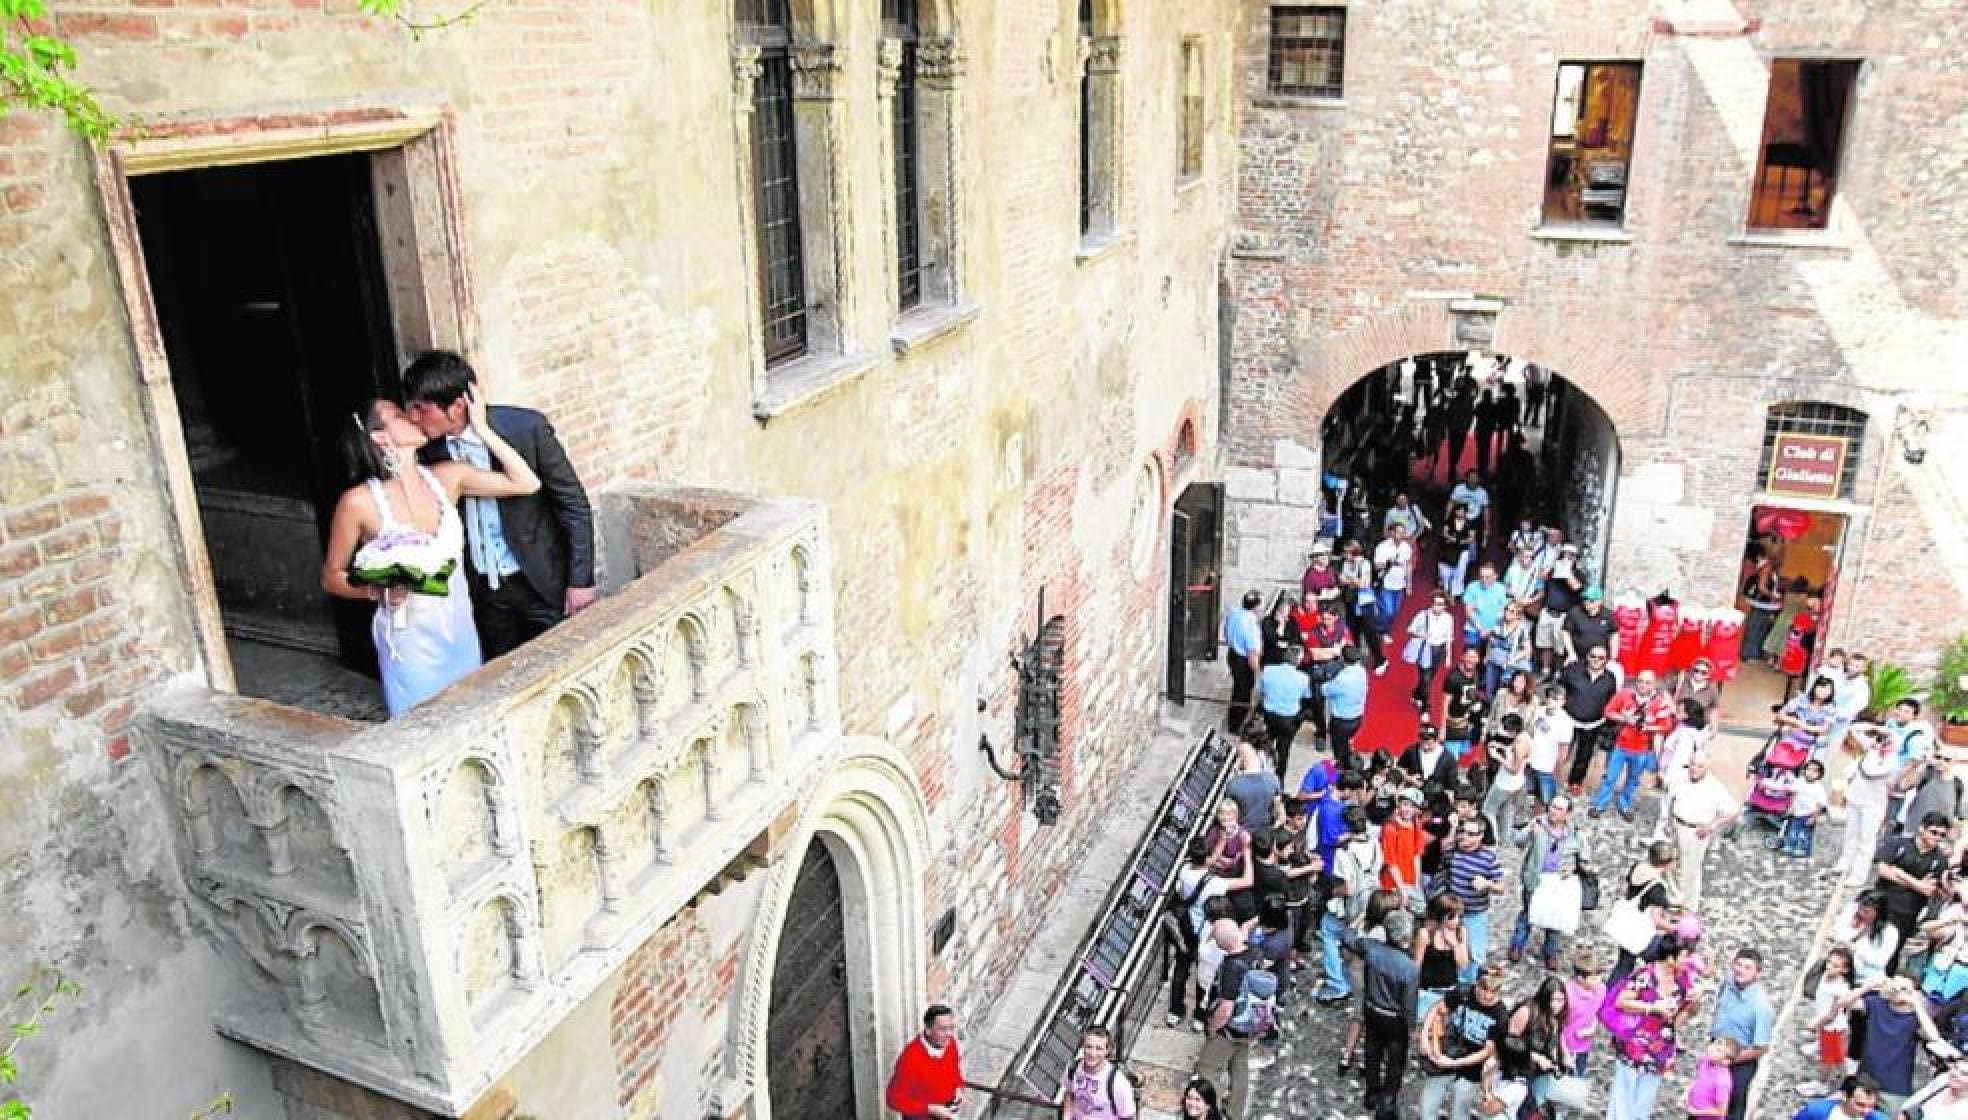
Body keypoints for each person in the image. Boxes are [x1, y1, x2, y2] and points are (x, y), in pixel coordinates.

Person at [321, 394, 542, 716]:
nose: (412, 416)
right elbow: (331, 577)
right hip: (409, 640)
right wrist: (376, 590)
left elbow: (526, 482)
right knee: (420, 722)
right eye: (398, 414)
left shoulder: (448, 477)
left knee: (469, 714)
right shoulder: (358, 503)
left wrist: (483, 429)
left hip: (459, 626)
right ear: (379, 437)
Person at [404, 350, 594, 659]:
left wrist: (580, 581)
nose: (413, 418)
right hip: (482, 590)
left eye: (420, 409)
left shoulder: (526, 428)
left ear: (457, 406)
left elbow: (572, 503)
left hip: (540, 581)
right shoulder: (427, 448)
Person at [1826, 976, 1955, 1116]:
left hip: (1895, 1087)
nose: (1898, 991)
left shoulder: (1915, 1018)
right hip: (1865, 1077)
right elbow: (1843, 1003)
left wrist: (1916, 1003)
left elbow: (1933, 1036)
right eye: (1895, 986)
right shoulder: (1876, 1004)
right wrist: (1869, 986)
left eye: (1904, 989)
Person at [1605, 936, 1698, 1120]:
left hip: (1659, 1046)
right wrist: (1652, 1008)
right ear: (1670, 958)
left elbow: (1684, 1014)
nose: (1686, 962)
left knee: (1645, 1099)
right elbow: (1622, 1001)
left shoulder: (1682, 980)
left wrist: (1693, 1004)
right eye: (1683, 957)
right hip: (1635, 1042)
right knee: (1624, 1094)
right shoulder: (1645, 976)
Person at [1339, 908, 1421, 1120]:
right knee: (1395, 1061)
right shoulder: (1409, 968)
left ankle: (1372, 1093)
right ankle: (1387, 1102)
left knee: (1372, 1052)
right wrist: (1412, 1027)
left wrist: (1356, 920)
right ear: (1405, 936)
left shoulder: (1372, 949)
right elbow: (1409, 1003)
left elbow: (1348, 937)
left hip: (1372, 1010)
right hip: (1395, 1019)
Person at [1418, 965, 1508, 1120]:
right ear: (1476, 984)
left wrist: (1454, 1063)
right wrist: (1425, 1037)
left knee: (1460, 1111)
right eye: (1484, 989)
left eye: (1494, 991)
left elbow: (1487, 1051)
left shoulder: (1500, 1015)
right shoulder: (1463, 992)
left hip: (1472, 1067)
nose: (1488, 996)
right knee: (1428, 1106)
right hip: (1448, 1050)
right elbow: (1437, 1009)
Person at [1195, 923, 1265, 1120]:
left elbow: (1225, 1009)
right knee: (1239, 1066)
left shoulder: (1232, 967)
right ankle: (1235, 1113)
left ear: (1220, 944)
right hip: (1251, 1024)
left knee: (1208, 1069)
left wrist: (1212, 1028)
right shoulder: (1254, 951)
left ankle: (1212, 1111)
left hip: (1230, 1029)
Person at [1511, 794, 1589, 968]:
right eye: (1553, 806)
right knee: (1528, 913)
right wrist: (1529, 831)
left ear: (1568, 814)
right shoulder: (1538, 824)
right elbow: (1518, 842)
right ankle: (1517, 944)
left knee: (1555, 918)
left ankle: (1551, 952)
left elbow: (1584, 858)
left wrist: (1573, 869)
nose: (1553, 811)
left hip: (1559, 883)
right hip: (1536, 879)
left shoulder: (1575, 833)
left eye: (1559, 809)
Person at [1591, 670, 1675, 822]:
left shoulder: (1660, 702)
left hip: (1642, 749)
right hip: (1620, 745)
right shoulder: (1624, 694)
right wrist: (1625, 719)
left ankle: (1625, 803)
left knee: (1633, 779)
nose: (1643, 685)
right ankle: (1600, 804)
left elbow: (1666, 726)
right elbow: (1608, 712)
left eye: (1647, 682)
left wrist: (1648, 727)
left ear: (1654, 684)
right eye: (1640, 681)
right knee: (1610, 777)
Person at [1874, 812, 1955, 970]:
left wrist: (1900, 873)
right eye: (1933, 832)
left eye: (1941, 835)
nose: (1937, 838)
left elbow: (1929, 889)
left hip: (1907, 912)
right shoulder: (1898, 844)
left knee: (1893, 950)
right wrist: (1917, 884)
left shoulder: (1939, 860)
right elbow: (1883, 870)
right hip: (1882, 902)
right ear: (1921, 829)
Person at [1665, 751, 1741, 906]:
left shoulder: (1715, 788)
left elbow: (1732, 811)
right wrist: (1668, 821)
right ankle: (1674, 897)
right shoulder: (1680, 779)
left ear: (1707, 767)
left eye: (1700, 766)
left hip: (1695, 831)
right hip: (1677, 825)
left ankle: (1688, 905)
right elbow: (1671, 799)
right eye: (1692, 764)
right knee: (1671, 864)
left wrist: (1711, 826)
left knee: (1690, 870)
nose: (1694, 769)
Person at [1710, 948, 1775, 1120]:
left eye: (1748, 967)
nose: (1740, 970)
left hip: (1739, 1061)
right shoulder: (1728, 983)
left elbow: (1761, 1047)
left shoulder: (1761, 1006)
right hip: (1717, 1049)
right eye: (1738, 964)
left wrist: (1729, 1059)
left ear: (1757, 974)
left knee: (1731, 1107)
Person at [1842, 718, 1908, 888]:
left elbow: (1871, 772)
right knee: (1851, 833)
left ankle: (1858, 874)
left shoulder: (1892, 761)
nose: (1882, 742)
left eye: (1886, 741)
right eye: (1881, 739)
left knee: (1866, 839)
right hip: (1855, 797)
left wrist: (1877, 747)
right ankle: (1844, 863)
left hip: (1873, 805)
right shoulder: (1870, 749)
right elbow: (1855, 728)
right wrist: (1876, 729)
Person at [1444, 814, 1506, 984]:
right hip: (1453, 912)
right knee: (1450, 947)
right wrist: (1452, 828)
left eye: (1471, 834)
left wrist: (1488, 884)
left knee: (1474, 953)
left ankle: (1468, 985)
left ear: (1480, 836)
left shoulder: (1488, 857)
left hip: (1475, 914)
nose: (1464, 836)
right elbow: (1444, 848)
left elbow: (1501, 887)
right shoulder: (1453, 851)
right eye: (1462, 831)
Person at [1497, 976, 1568, 1113]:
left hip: (1537, 1074)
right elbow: (1508, 1042)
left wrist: (1559, 1061)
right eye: (1553, 1000)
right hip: (1516, 1071)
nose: (1557, 1005)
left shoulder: (1554, 1019)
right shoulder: (1527, 1011)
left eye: (1561, 1000)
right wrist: (1534, 1056)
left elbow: (1553, 1044)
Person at [885, 1004, 966, 1120]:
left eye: (951, 1028)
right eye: (943, 1029)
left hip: (948, 1113)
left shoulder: (950, 1043)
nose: (949, 1034)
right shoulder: (910, 1058)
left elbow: (955, 1070)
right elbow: (893, 1099)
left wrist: (958, 1088)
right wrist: (929, 1109)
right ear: (928, 1030)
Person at [1559, 644, 1619, 796]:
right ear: (1587, 656)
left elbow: (1611, 700)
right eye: (1593, 656)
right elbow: (1559, 686)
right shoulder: (1574, 671)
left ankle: (1575, 782)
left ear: (1606, 660)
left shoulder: (1610, 679)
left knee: (1584, 755)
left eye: (1601, 658)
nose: (1596, 660)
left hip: (1593, 724)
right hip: (1568, 720)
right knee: (1560, 750)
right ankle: (1550, 777)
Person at [1256, 647, 1313, 781]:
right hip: (1288, 719)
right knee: (1283, 749)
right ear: (1298, 661)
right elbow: (1307, 696)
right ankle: (1278, 779)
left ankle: (1260, 770)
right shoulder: (1303, 678)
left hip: (1268, 715)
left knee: (1264, 744)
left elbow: (1260, 689)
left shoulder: (1268, 670)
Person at [1828, 891, 1901, 986]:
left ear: (1878, 913)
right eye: (1860, 909)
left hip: (1867, 981)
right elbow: (1836, 935)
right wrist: (1857, 931)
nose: (1861, 914)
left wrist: (1857, 949)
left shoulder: (1890, 932)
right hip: (1840, 974)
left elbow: (1880, 961)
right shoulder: (1853, 915)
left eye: (1866, 912)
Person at [1063, 1026, 1136, 1120]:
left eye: (1099, 1049)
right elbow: (1069, 1093)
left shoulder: (1119, 1083)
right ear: (1082, 1046)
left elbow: (1128, 1117)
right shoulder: (1072, 1068)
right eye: (1089, 1047)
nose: (1092, 1053)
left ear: (1107, 1051)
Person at [1810, 947, 1858, 1087]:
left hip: (1833, 1028)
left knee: (1829, 1058)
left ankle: (1823, 1083)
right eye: (1829, 962)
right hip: (1828, 1027)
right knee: (1833, 1056)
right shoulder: (1825, 977)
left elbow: (1832, 1014)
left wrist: (1816, 1023)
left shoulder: (1840, 988)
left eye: (1835, 966)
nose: (1829, 967)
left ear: (1845, 970)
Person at [1481, 713, 1530, 842]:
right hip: (1516, 783)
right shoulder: (1525, 736)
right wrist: (1502, 747)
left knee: (1488, 809)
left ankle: (1494, 838)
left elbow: (1514, 769)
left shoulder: (1520, 745)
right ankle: (1505, 837)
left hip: (1506, 783)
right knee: (1507, 809)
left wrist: (1497, 756)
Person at [1537, 544, 1583, 677]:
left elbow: (1577, 588)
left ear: (1575, 558)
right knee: (1545, 644)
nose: (1567, 557)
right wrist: (1553, 567)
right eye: (1565, 554)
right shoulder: (1553, 570)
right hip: (1547, 611)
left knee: (1560, 647)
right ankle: (1545, 670)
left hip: (1563, 615)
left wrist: (1566, 573)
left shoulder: (1577, 574)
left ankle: (1558, 671)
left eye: (1571, 555)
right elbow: (1542, 577)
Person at [1322, 646, 1369, 772]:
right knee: (1346, 743)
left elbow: (1326, 690)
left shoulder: (1342, 679)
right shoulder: (1361, 672)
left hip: (1341, 721)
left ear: (1343, 659)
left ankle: (1344, 771)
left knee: (1339, 751)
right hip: (1357, 718)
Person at [1562, 949, 1608, 1078]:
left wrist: (1593, 1027)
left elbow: (1596, 1013)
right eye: (1594, 978)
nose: (1598, 981)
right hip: (1563, 1046)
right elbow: (1556, 1024)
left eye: (1599, 977)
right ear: (1580, 978)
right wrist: (1565, 1053)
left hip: (1583, 1046)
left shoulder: (1601, 989)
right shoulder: (1566, 994)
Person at [1222, 590, 1263, 732]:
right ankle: (1236, 724)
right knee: (1243, 692)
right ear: (1256, 607)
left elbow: (1226, 630)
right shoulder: (1251, 626)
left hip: (1232, 654)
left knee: (1237, 688)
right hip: (1243, 661)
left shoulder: (1234, 613)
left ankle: (1234, 720)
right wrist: (1258, 673)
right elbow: (1252, 654)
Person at [1407, 591, 1457, 708]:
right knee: (1426, 678)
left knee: (1430, 677)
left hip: (1439, 650)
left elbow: (1449, 638)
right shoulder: (1422, 615)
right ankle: (1426, 707)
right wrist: (1421, 635)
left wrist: (1448, 657)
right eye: (1435, 603)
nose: (1437, 606)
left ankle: (1416, 694)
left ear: (1445, 606)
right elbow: (1410, 630)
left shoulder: (1448, 618)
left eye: (1440, 604)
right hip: (1425, 649)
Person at [1527, 684, 1573, 806]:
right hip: (1531, 762)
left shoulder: (1566, 721)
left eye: (1556, 699)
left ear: (1563, 701)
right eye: (1550, 697)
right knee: (1535, 795)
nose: (1551, 701)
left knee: (1548, 801)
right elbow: (1532, 732)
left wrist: (1557, 770)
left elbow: (1564, 749)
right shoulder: (1539, 711)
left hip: (1547, 769)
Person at [1374, 524, 1416, 654]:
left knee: (1395, 612)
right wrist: (1388, 563)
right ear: (1392, 533)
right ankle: (1382, 631)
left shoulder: (1406, 547)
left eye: (1403, 533)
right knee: (1389, 611)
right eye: (1398, 532)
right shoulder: (1383, 547)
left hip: (1400, 584)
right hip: (1386, 583)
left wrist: (1409, 584)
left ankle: (1383, 624)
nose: (1401, 535)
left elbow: (1409, 565)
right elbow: (1376, 566)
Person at [1442, 649, 1488, 763]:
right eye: (1468, 656)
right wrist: (1442, 728)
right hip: (1454, 725)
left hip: (1468, 723)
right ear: (1463, 657)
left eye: (1474, 657)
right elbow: (1445, 703)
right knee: (1451, 758)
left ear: (1478, 659)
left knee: (1465, 752)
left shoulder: (1475, 673)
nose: (1471, 660)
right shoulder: (1453, 678)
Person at [1482, 602, 1534, 699]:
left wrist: (1512, 660)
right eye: (1506, 609)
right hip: (1493, 660)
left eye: (1511, 611)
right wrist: (1487, 655)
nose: (1507, 612)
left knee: (1504, 690)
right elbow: (1491, 639)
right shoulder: (1499, 622)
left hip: (1509, 664)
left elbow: (1527, 650)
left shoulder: (1521, 629)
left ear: (1517, 615)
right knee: (1489, 689)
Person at [1739, 556, 1784, 666]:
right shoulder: (1767, 568)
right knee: (1755, 628)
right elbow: (1761, 587)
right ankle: (1748, 654)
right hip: (1761, 604)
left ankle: (1753, 653)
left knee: (1760, 628)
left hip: (1764, 605)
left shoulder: (1771, 569)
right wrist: (1773, 596)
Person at [1561, 586, 1620, 668]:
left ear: (1599, 602)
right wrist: (1571, 653)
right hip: (1578, 658)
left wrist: (1613, 658)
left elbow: (1614, 635)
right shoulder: (1575, 612)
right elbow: (1566, 632)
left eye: (1591, 600)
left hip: (1600, 660)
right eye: (1585, 599)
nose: (1587, 602)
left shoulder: (1608, 615)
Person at [1785, 758, 1831, 858]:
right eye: (1809, 769)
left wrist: (1814, 817)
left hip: (1809, 814)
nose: (1810, 773)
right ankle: (1790, 845)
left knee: (1805, 834)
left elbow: (1820, 804)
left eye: (1815, 771)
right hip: (1797, 812)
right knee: (1793, 830)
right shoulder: (1799, 781)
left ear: (1819, 774)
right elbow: (1794, 793)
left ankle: (1803, 850)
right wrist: (1791, 806)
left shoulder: (1819, 788)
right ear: (1804, 770)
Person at [1461, 563, 1509, 657]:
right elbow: (1468, 611)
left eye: (1488, 577)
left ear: (1495, 576)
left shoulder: (1501, 589)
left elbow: (1502, 610)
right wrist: (1480, 629)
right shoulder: (1472, 587)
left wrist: (1491, 629)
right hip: (1473, 629)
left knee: (1488, 659)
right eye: (1481, 577)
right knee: (1469, 657)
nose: (1484, 580)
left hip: (1494, 630)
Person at [1687, 1038, 1740, 1120]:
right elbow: (1698, 1079)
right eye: (1714, 1044)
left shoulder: (1722, 1081)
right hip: (1695, 1113)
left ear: (1726, 1061)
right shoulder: (1705, 1060)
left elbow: (1721, 1111)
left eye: (1718, 1050)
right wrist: (1687, 1092)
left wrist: (1695, 1112)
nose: (1712, 1048)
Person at [1789, 1076, 1888, 1120]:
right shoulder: (1816, 1111)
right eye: (1860, 1105)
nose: (1867, 1111)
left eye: (1871, 1106)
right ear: (1844, 1096)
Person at [1401, 723, 1461, 793]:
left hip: (1436, 795)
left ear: (1436, 739)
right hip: (1413, 792)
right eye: (1422, 738)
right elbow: (1400, 768)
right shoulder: (1412, 751)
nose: (1424, 742)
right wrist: (1409, 778)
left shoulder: (1448, 758)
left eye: (1427, 739)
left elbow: (1452, 784)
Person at [1439, 503, 1477, 598]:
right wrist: (1453, 540)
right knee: (1445, 569)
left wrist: (1460, 541)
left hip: (1463, 550)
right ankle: (1446, 589)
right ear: (1455, 511)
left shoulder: (1470, 523)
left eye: (1462, 511)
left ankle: (1455, 592)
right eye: (1458, 510)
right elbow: (1444, 533)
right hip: (1449, 549)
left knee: (1460, 571)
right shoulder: (1449, 521)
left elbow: (1471, 538)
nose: (1460, 513)